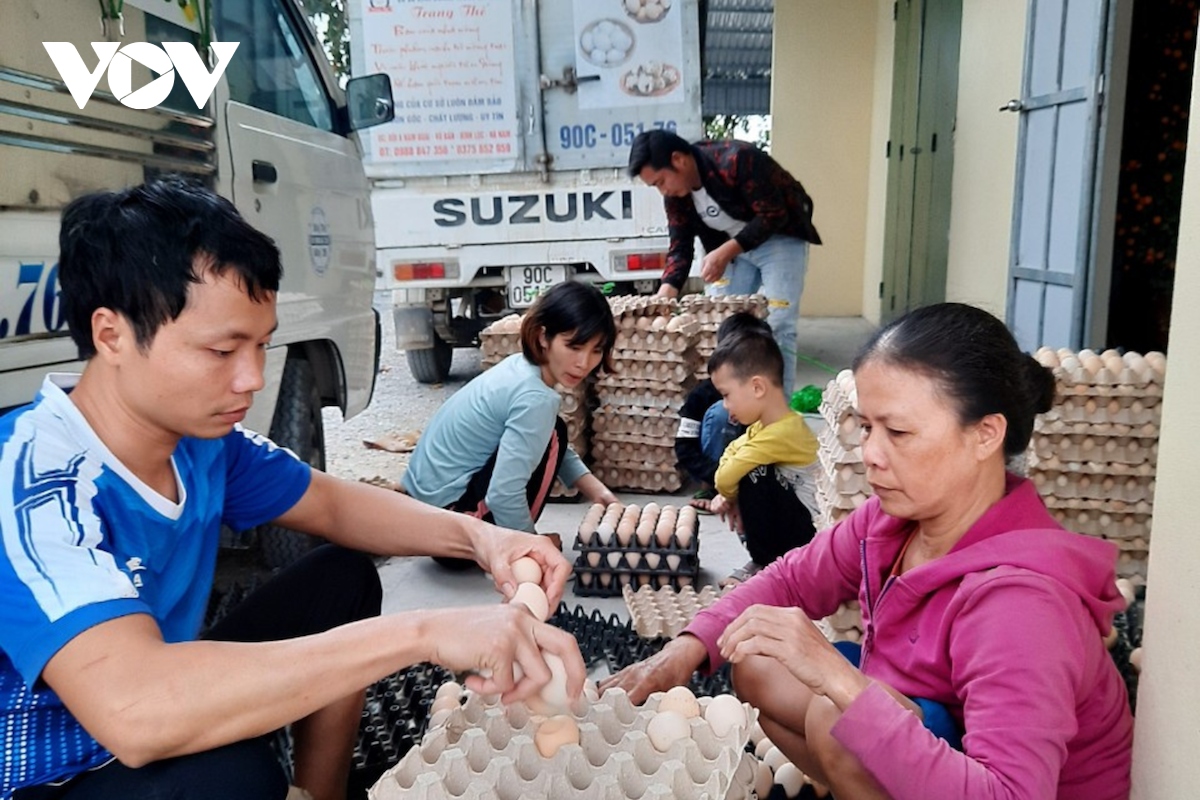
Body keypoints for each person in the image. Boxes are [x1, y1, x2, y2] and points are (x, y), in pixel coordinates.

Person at [0, 179, 586, 800]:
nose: (252, 378)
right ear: (111, 334)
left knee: (341, 577)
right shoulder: (36, 481)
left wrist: (483, 538)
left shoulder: (200, 443)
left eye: (260, 345)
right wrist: (425, 632)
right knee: (231, 782)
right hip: (54, 763)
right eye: (223, 350)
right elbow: (136, 711)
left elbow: (331, 503)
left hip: (147, 689)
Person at [601, 302, 1134, 799]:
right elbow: (790, 580)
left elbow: (1010, 793)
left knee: (839, 722)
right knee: (757, 653)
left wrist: (838, 679)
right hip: (940, 715)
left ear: (985, 436)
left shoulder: (1022, 604)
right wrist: (685, 649)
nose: (871, 455)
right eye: (866, 427)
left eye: (898, 432)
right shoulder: (896, 520)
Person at [402, 281, 619, 568]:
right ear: (543, 337)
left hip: (424, 521)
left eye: (596, 350)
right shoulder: (534, 397)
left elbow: (540, 439)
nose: (584, 363)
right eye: (574, 346)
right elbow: (503, 494)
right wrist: (533, 549)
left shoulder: (519, 367)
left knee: (551, 430)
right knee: (554, 431)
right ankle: (516, 547)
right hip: (455, 536)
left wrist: (598, 492)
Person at [628, 129, 822, 395]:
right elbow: (680, 246)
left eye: (661, 181)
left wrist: (725, 252)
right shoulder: (676, 197)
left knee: (778, 323)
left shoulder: (736, 160)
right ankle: (732, 405)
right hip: (730, 246)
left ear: (679, 160)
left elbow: (773, 213)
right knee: (718, 323)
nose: (663, 190)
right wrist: (665, 295)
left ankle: (779, 412)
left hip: (779, 237)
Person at [706, 329, 820, 587]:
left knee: (752, 473)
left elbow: (725, 476)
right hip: (795, 525)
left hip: (811, 537)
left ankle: (767, 563)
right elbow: (731, 452)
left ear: (757, 387)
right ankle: (767, 560)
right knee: (749, 468)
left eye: (726, 395)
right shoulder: (765, 426)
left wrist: (729, 494)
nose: (725, 405)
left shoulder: (784, 432)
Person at [674, 312, 773, 512]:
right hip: (715, 470)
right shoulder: (702, 395)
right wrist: (719, 475)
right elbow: (684, 446)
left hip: (751, 467)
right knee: (721, 413)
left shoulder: (766, 392)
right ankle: (710, 489)